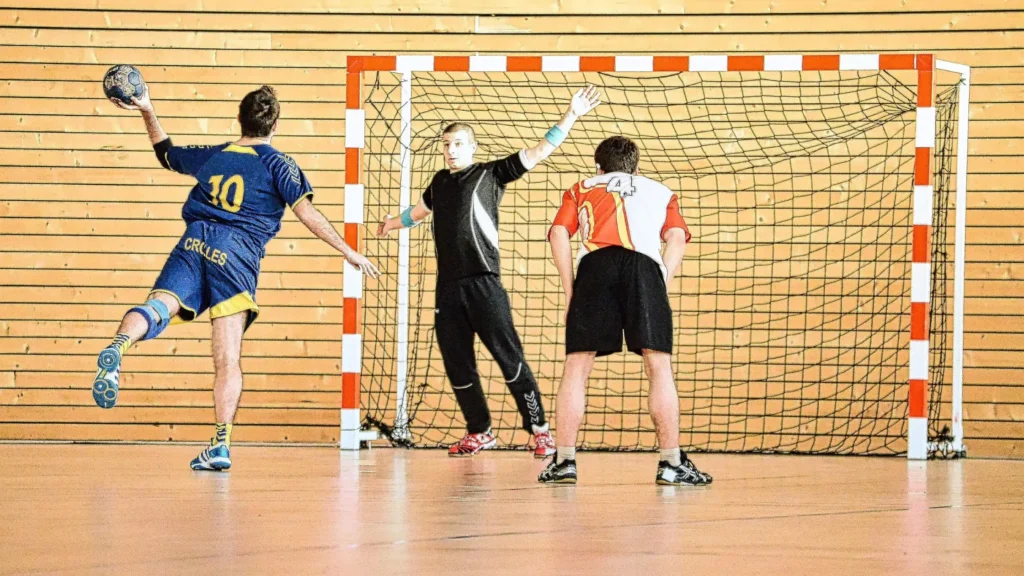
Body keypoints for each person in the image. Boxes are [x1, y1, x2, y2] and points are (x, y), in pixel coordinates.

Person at [96, 83, 380, 471]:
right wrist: (346, 249)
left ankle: (119, 346)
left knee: (158, 305)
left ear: (239, 120)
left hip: (194, 242)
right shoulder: (280, 164)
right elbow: (307, 213)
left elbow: (165, 153)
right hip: (237, 254)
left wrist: (146, 108)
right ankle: (220, 445)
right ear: (274, 125)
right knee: (227, 359)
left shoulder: (215, 155)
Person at [376, 86, 601, 457]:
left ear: (472, 147)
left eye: (458, 144)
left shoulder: (490, 174)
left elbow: (539, 151)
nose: (450, 150)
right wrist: (391, 224)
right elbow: (417, 213)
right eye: (446, 144)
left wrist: (571, 114)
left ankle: (539, 429)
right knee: (456, 362)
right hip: (447, 289)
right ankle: (479, 430)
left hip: (485, 285)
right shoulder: (438, 183)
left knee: (509, 358)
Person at [538, 135, 712, 486]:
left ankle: (564, 462)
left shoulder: (580, 188)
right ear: (636, 167)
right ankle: (671, 463)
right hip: (643, 268)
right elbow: (676, 238)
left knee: (577, 366)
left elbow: (559, 232)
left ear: (598, 167)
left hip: (594, 268)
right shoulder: (660, 191)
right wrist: (659, 280)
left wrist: (572, 289)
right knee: (658, 365)